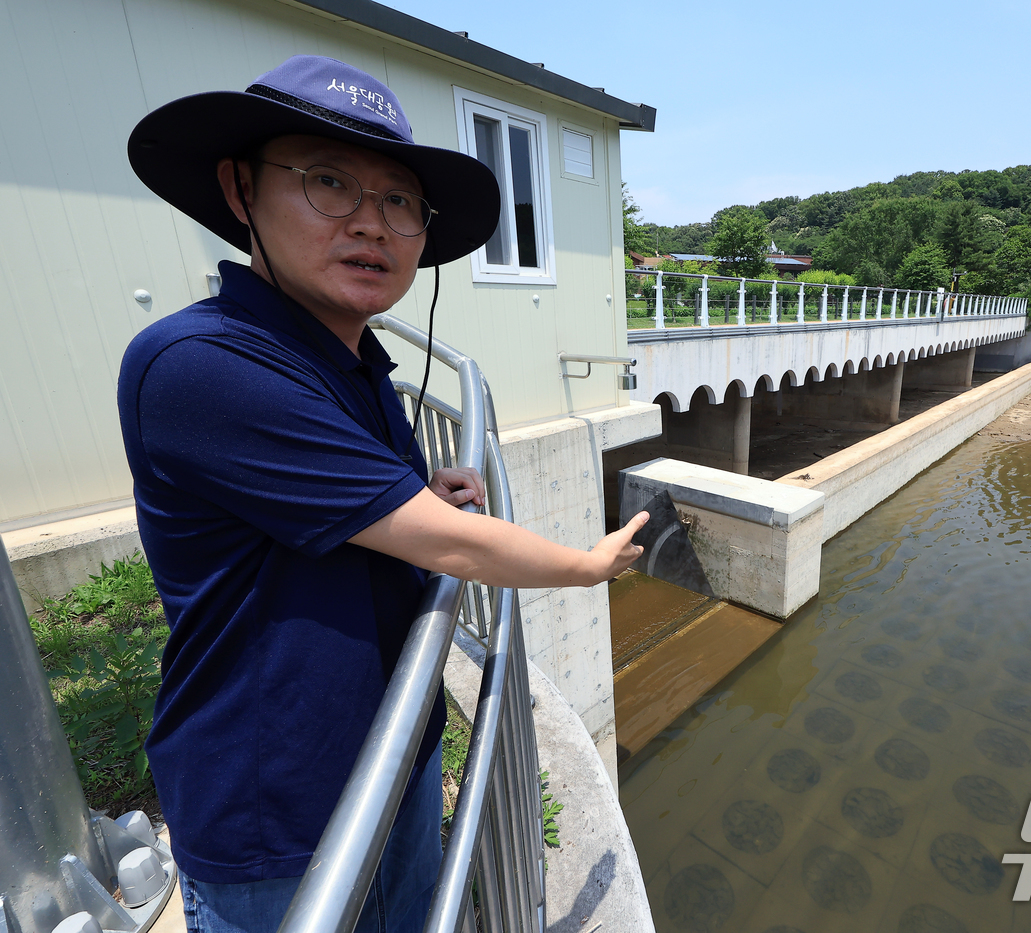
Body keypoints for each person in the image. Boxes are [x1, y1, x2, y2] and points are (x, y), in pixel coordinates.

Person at [118, 55, 648, 933]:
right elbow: (450, 544)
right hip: (281, 813)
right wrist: (588, 564)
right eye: (328, 182)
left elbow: (362, 504)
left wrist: (417, 486)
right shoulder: (201, 366)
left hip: (392, 755)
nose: (372, 224)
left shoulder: (354, 357)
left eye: (399, 201)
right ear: (239, 189)